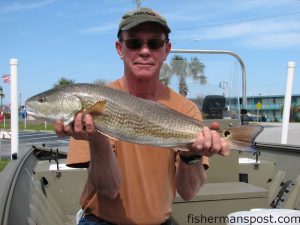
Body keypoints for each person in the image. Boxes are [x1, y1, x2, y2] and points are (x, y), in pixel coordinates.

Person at [55, 7, 230, 225]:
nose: (145, 51)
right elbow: (108, 190)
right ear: (120, 48)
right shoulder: (89, 107)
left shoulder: (186, 110)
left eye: (154, 43)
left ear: (166, 50)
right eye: (134, 43)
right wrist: (98, 138)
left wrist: (190, 156)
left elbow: (188, 192)